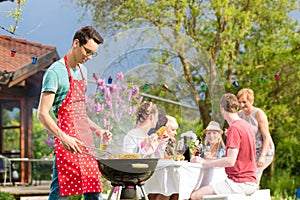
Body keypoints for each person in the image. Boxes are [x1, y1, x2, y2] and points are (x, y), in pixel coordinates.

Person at [37, 26, 112, 200]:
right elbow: (43, 114)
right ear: (76, 43)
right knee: (60, 192)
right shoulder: (55, 72)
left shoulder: (83, 72)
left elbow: (79, 113)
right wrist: (64, 137)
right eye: (87, 51)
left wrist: (98, 130)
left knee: (94, 190)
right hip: (66, 140)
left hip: (85, 139)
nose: (89, 57)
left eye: (93, 54)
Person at [190, 93, 257, 200]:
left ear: (222, 108)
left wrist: (205, 162)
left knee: (194, 196)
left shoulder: (234, 128)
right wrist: (209, 159)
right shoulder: (246, 126)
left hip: (239, 183)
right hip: (250, 181)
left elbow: (230, 161)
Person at [237, 88, 275, 185]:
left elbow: (266, 136)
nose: (241, 105)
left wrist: (262, 156)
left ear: (251, 101)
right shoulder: (239, 115)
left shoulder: (258, 113)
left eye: (244, 102)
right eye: (239, 102)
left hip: (264, 150)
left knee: (252, 176)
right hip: (251, 152)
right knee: (249, 177)